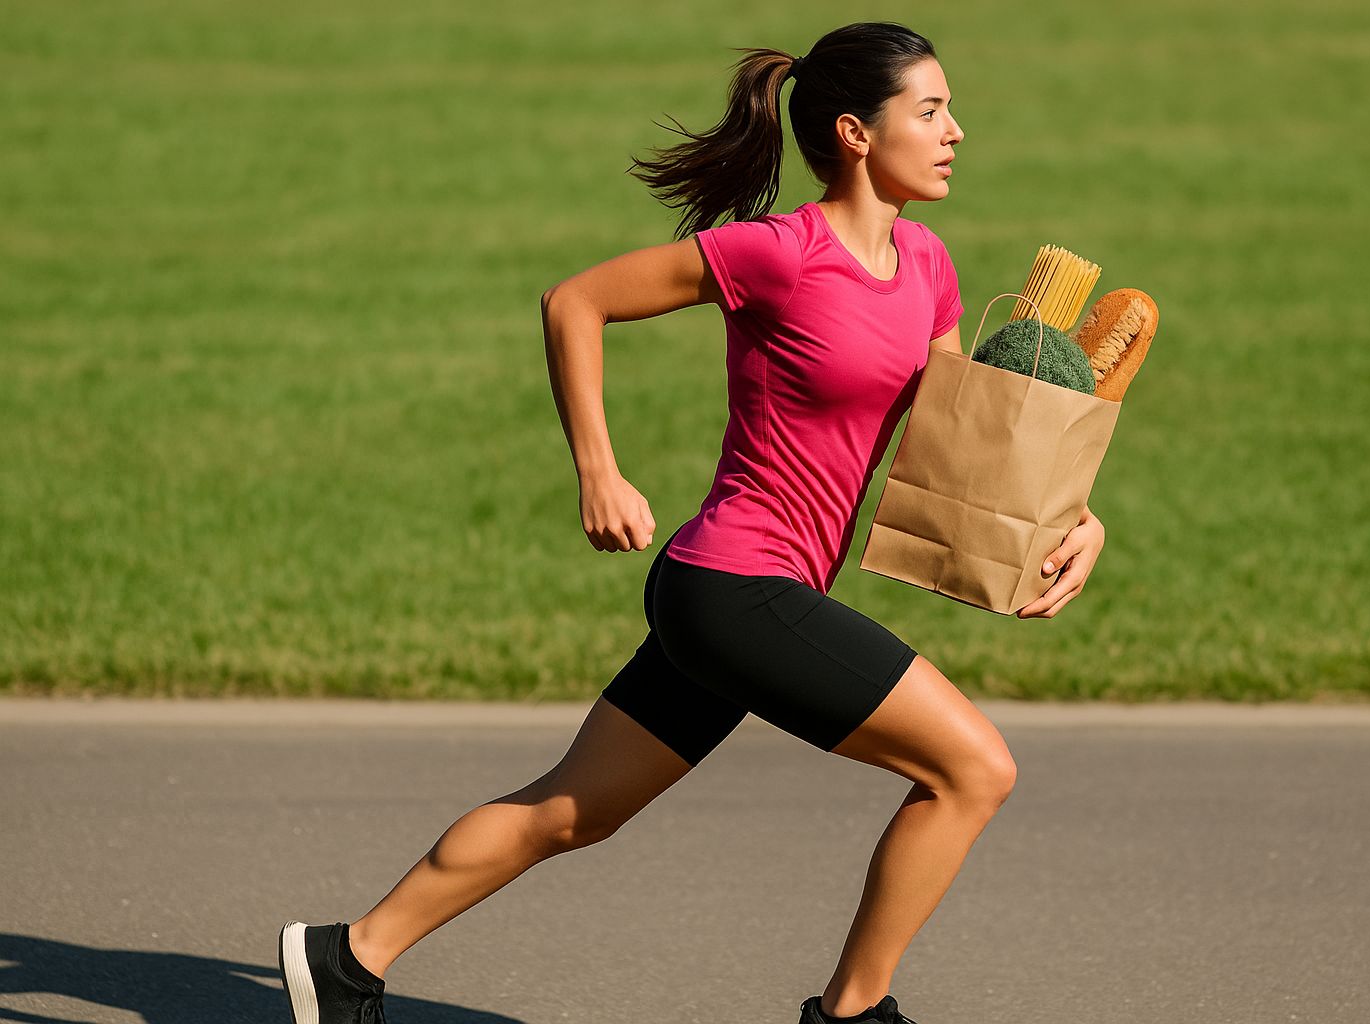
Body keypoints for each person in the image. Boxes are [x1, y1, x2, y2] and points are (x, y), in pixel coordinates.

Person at [279, 20, 1107, 1024]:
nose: (954, 131)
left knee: (568, 810)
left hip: (749, 597)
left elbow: (959, 445)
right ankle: (852, 1011)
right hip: (732, 587)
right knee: (975, 769)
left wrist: (1071, 517)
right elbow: (575, 300)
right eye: (929, 112)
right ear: (854, 132)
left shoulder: (929, 265)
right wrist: (600, 470)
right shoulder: (778, 254)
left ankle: (345, 958)